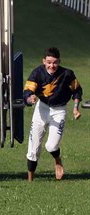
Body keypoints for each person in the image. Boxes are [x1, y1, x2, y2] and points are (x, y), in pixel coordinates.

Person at [23, 47, 83, 182]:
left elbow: (77, 90)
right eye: (49, 62)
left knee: (51, 146)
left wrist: (75, 108)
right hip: (42, 108)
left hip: (59, 110)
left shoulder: (67, 74)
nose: (52, 66)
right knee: (33, 148)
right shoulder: (37, 73)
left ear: (59, 61)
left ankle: (57, 160)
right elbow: (27, 91)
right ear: (44, 61)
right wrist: (29, 98)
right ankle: (30, 181)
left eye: (55, 62)